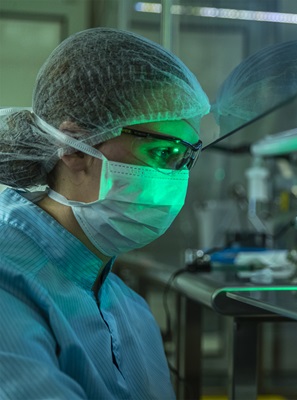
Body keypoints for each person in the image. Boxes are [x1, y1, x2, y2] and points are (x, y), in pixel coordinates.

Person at [0, 27, 209, 398]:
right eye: (163, 154)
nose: (176, 179)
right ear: (76, 149)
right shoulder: (10, 283)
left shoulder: (128, 309)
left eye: (185, 159)